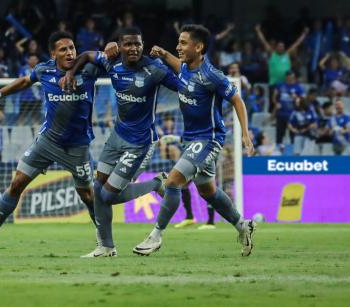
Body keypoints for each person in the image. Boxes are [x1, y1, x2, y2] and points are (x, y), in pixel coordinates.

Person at [129, 24, 256, 257]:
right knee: (208, 191)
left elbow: (237, 100)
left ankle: (155, 236)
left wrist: (245, 134)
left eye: (184, 43)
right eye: (178, 42)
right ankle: (242, 225)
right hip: (190, 139)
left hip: (208, 139)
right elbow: (181, 71)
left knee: (173, 182)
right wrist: (165, 54)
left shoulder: (213, 76)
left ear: (199, 47)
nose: (178, 46)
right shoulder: (186, 68)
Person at [0, 31, 101, 249]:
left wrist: (111, 46)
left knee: (87, 195)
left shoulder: (89, 68)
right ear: (53, 53)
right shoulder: (44, 70)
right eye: (63, 49)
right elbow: (25, 81)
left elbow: (107, 57)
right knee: (17, 183)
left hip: (78, 146)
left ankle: (102, 235)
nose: (69, 53)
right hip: (47, 142)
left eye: (72, 48)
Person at [61, 27, 180, 257]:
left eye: (137, 44)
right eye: (128, 44)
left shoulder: (154, 70)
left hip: (140, 142)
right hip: (117, 136)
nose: (133, 48)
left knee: (106, 196)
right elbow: (85, 55)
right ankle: (106, 247)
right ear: (120, 46)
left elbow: (182, 83)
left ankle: (157, 184)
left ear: (142, 45)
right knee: (97, 189)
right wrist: (70, 74)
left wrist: (167, 56)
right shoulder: (111, 63)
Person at [272, 71, 305, 145]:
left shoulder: (299, 87)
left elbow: (303, 100)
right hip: (281, 114)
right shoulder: (280, 85)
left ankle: (294, 153)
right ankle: (278, 153)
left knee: (293, 136)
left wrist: (296, 97)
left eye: (292, 78)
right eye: (289, 78)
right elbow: (274, 97)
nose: (291, 79)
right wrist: (276, 103)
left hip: (293, 115)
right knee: (279, 136)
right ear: (286, 77)